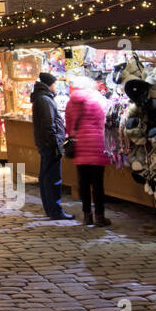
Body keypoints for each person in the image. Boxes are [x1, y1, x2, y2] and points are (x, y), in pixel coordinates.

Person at [65, 76, 112, 226]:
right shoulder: (97, 100)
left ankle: (87, 215)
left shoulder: (70, 103)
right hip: (96, 144)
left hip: (79, 146)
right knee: (98, 183)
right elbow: (103, 118)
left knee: (83, 183)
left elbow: (69, 125)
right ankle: (100, 216)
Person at [30, 73, 72, 220]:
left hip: (47, 143)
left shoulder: (42, 98)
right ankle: (55, 210)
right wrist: (56, 144)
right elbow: (49, 125)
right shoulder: (45, 100)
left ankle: (51, 209)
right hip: (52, 144)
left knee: (46, 176)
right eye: (54, 84)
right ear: (49, 85)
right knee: (53, 178)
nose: (56, 87)